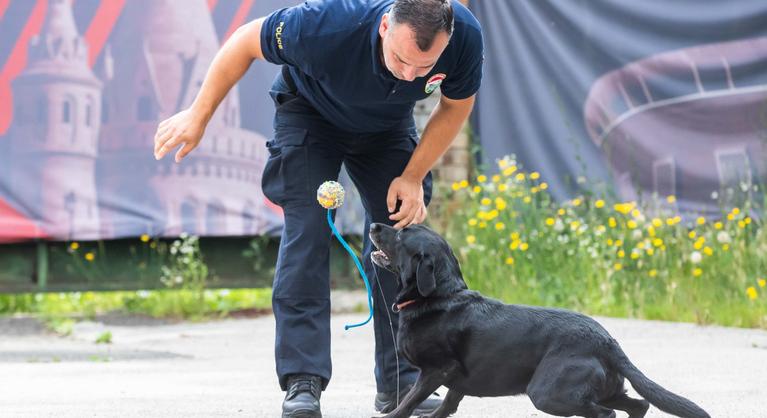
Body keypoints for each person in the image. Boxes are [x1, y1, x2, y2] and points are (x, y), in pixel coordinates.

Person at [153, 0, 483, 416]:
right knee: (308, 234)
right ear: (384, 26)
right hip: (309, 115)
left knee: (399, 241)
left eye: (424, 67)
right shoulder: (325, 24)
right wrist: (198, 115)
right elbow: (242, 42)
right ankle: (302, 381)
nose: (409, 74)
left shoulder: (464, 35)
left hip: (386, 128)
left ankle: (402, 379)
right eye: (400, 59)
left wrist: (413, 176)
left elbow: (455, 106)